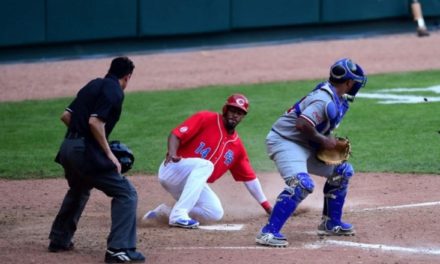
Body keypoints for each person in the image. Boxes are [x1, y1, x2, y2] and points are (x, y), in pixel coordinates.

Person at [255, 58, 367, 247]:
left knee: (342, 171)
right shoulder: (323, 100)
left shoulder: (335, 97)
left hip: (303, 143)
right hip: (285, 141)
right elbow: (302, 124)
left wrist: (324, 142)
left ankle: (331, 224)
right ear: (348, 82)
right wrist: (324, 141)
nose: (356, 85)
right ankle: (268, 232)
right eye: (354, 82)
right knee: (302, 184)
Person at [48, 57, 146, 263]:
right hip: (83, 152)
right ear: (127, 77)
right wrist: (108, 154)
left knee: (80, 188)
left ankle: (59, 239)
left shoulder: (93, 84)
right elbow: (95, 122)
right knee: (126, 193)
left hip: (67, 148)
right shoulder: (115, 90)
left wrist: (79, 138)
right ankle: (118, 249)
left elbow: (66, 116)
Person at [142, 94, 272, 228]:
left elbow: (250, 179)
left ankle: (164, 212)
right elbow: (175, 135)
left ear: (243, 117)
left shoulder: (237, 147)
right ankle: (179, 215)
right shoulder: (206, 118)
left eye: (239, 113)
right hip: (173, 170)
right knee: (206, 165)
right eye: (233, 110)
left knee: (214, 212)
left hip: (189, 184)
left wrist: (267, 207)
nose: (235, 115)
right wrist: (173, 154)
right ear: (225, 110)